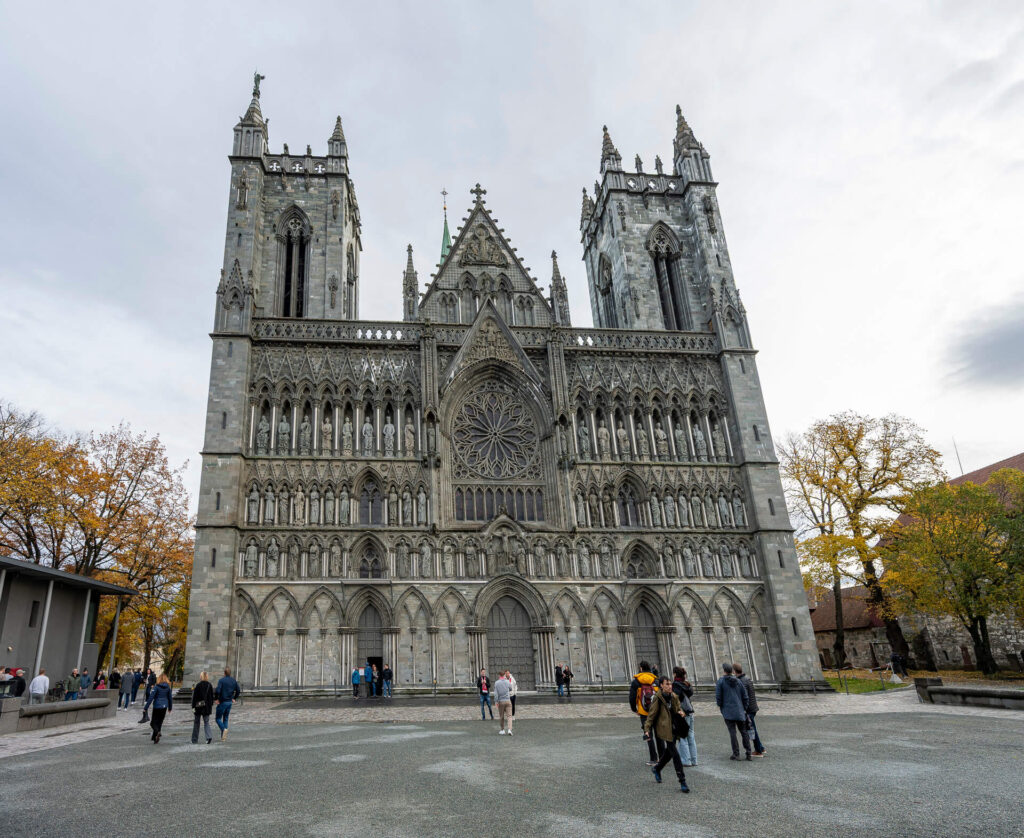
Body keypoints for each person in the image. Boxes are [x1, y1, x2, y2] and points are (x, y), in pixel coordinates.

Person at [643, 676, 690, 793]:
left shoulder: (674, 696)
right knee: (675, 755)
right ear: (661, 686)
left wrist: (682, 713)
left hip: (674, 728)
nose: (670, 686)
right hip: (664, 729)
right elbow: (651, 715)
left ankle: (657, 768)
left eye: (670, 684)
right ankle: (682, 781)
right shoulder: (658, 698)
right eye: (667, 684)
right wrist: (647, 729)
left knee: (669, 753)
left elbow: (678, 709)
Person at [715, 662, 751, 761]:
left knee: (732, 733)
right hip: (739, 711)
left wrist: (721, 707)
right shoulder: (738, 681)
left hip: (728, 711)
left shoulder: (721, 682)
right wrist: (744, 708)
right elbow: (745, 696)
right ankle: (748, 753)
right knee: (744, 732)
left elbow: (718, 697)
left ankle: (736, 754)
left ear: (724, 670)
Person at [629, 660, 662, 765]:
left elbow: (632, 697)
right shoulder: (656, 680)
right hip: (656, 711)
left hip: (644, 712)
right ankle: (662, 757)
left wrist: (634, 709)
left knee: (648, 734)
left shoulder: (636, 681)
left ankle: (653, 758)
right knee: (659, 734)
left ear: (641, 668)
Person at [733, 662, 765, 757]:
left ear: (734, 671)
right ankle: (761, 748)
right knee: (752, 728)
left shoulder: (741, 681)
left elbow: (744, 697)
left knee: (751, 730)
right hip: (753, 707)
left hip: (749, 709)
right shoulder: (746, 678)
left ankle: (758, 750)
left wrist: (744, 710)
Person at [671, 666, 698, 766]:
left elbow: (675, 699)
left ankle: (686, 760)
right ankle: (694, 760)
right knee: (691, 736)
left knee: (683, 737)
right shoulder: (686, 684)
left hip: (683, 712)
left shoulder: (675, 685)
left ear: (675, 674)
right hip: (690, 712)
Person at [144, 673, 173, 743]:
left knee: (153, 723)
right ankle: (155, 737)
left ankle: (157, 732)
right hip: (164, 706)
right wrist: (170, 708)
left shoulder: (156, 687)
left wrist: (146, 707)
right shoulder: (168, 687)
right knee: (160, 722)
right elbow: (170, 698)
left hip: (157, 706)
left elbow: (151, 697)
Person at [214, 666, 240, 741]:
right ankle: (223, 737)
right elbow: (238, 690)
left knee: (218, 718)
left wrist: (216, 699)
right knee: (225, 718)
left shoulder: (221, 680)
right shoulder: (233, 681)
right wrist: (234, 698)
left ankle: (223, 729)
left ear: (224, 673)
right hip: (229, 702)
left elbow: (218, 691)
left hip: (222, 701)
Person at [191, 672, 215, 745]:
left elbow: (194, 698)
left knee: (196, 723)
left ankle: (194, 739)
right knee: (206, 722)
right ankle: (208, 737)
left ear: (201, 676)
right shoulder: (209, 685)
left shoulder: (198, 685)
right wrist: (210, 705)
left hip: (198, 706)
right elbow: (211, 697)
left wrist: (193, 707)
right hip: (207, 707)